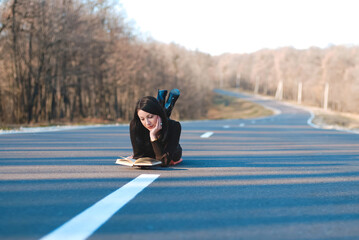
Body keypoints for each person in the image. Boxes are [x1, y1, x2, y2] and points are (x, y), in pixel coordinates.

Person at [129, 89, 182, 167]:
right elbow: (138, 156)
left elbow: (164, 161)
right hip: (161, 116)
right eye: (142, 119)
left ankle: (162, 101)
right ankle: (164, 102)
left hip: (172, 153)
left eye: (150, 117)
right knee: (162, 116)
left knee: (165, 120)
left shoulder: (174, 126)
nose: (147, 123)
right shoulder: (136, 125)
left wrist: (153, 136)